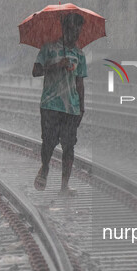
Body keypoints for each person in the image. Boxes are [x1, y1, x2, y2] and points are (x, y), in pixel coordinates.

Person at [32, 13, 86, 197]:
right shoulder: (48, 49)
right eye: (72, 28)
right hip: (50, 105)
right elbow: (36, 71)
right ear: (64, 28)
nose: (76, 32)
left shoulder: (79, 54)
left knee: (69, 147)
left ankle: (64, 186)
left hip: (71, 107)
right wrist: (56, 65)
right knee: (48, 143)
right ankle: (45, 167)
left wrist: (82, 106)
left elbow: (79, 81)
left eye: (79, 29)